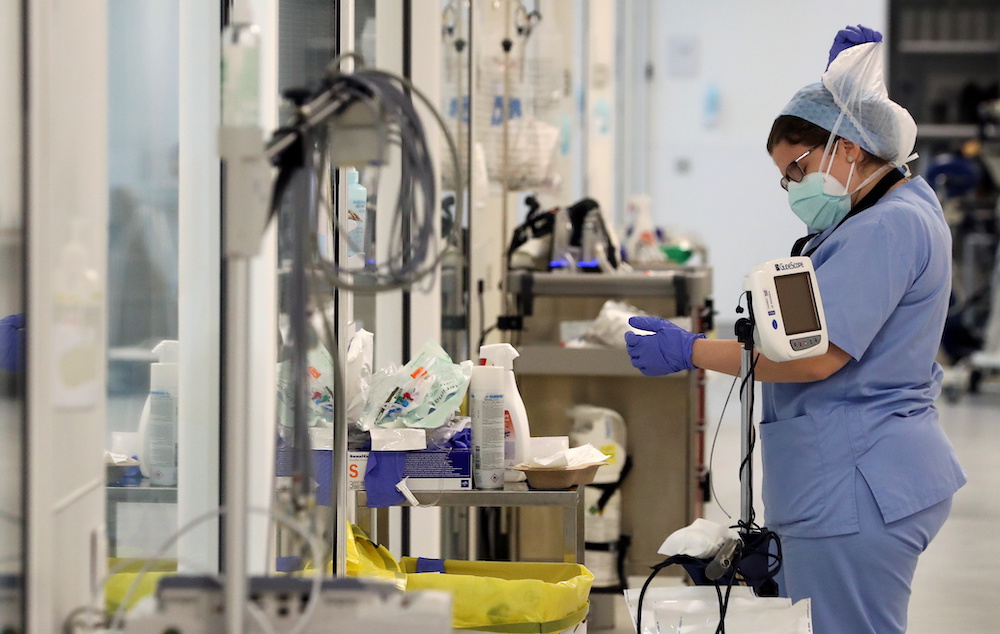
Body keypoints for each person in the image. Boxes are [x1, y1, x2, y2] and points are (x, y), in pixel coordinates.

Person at [624, 26, 966, 634]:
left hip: (861, 485)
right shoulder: (895, 209)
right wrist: (845, 102)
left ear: (850, 148)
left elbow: (814, 357)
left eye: (799, 167)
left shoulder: (885, 227)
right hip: (851, 475)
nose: (793, 187)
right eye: (786, 176)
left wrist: (691, 350)